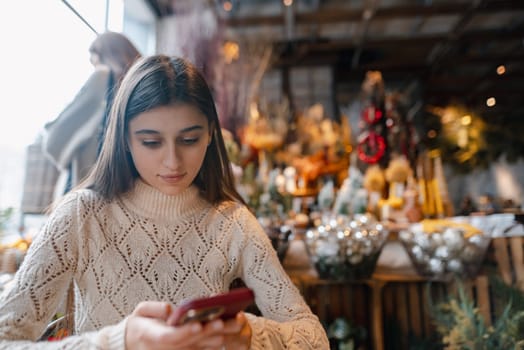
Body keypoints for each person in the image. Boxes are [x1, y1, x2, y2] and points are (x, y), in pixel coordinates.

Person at [0, 55, 329, 349]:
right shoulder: (80, 216)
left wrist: (250, 334)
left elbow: (313, 340)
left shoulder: (232, 223)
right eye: (151, 142)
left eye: (189, 139)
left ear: (212, 133)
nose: (173, 161)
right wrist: (119, 341)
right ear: (125, 139)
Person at [43, 31, 141, 201]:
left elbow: (56, 139)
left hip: (93, 184)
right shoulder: (142, 82)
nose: (92, 62)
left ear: (107, 54)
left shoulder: (103, 76)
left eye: (94, 55)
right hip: (131, 187)